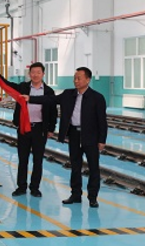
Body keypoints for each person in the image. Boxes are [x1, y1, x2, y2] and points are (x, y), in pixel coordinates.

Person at [26, 66, 107, 207]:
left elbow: (102, 121)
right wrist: (30, 98)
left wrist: (102, 140)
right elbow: (50, 99)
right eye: (74, 78)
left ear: (88, 80)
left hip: (91, 136)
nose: (76, 81)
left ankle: (92, 198)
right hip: (74, 134)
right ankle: (75, 195)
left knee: (93, 168)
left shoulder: (97, 98)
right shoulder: (68, 94)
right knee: (75, 166)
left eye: (79, 78)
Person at [0, 63, 57, 197]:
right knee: (23, 159)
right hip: (24, 128)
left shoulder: (48, 91)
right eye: (33, 72)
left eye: (38, 72)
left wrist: (51, 129)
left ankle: (35, 188)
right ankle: (21, 187)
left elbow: (53, 112)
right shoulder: (23, 87)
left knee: (38, 160)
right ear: (29, 74)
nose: (35, 75)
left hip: (40, 129)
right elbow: (8, 85)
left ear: (43, 74)